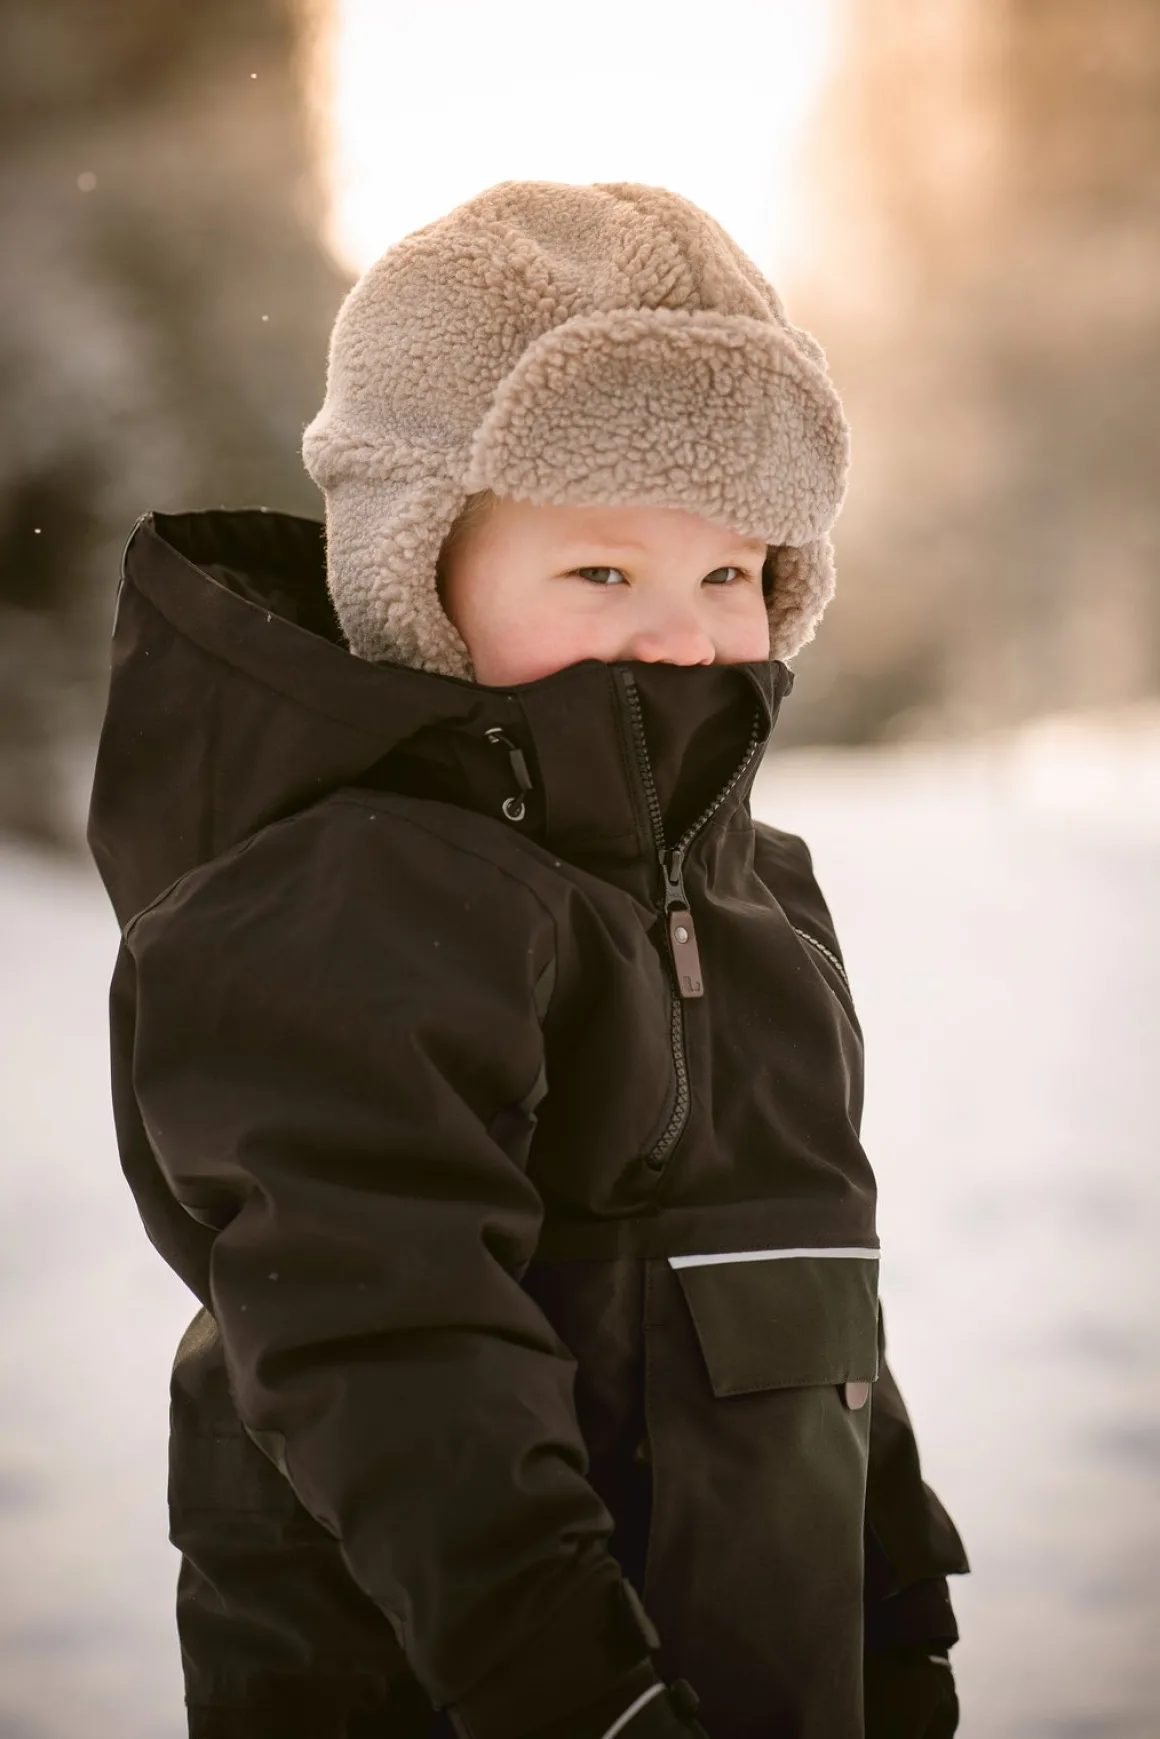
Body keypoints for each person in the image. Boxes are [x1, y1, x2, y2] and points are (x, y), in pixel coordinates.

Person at [88, 180, 969, 1739]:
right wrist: (583, 1691)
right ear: (415, 573)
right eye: (601, 573)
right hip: (450, 1685)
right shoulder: (343, 902)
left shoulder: (755, 893)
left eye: (730, 573)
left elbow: (807, 1292)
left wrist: (893, 1618)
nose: (682, 634)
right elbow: (387, 1347)